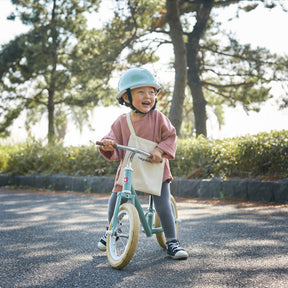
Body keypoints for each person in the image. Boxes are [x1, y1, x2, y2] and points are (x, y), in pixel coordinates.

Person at [97, 67, 188, 260]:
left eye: (152, 92)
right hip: (130, 168)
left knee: (163, 203)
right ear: (127, 97)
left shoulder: (158, 118)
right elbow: (112, 139)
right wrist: (108, 144)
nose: (148, 96)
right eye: (141, 92)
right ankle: (112, 229)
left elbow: (171, 136)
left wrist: (160, 150)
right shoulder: (122, 121)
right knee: (116, 198)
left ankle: (172, 241)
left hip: (156, 169)